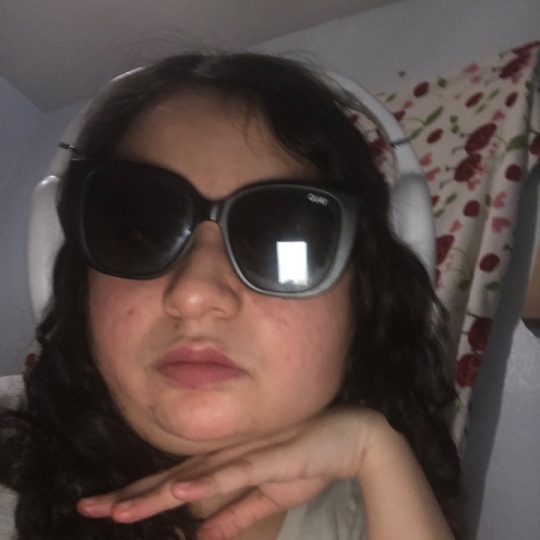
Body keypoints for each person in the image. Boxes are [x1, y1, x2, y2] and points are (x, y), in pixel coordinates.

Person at [0, 52, 462, 539]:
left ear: (363, 304)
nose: (195, 294)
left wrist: (377, 450)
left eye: (285, 241)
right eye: (140, 235)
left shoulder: (382, 509)